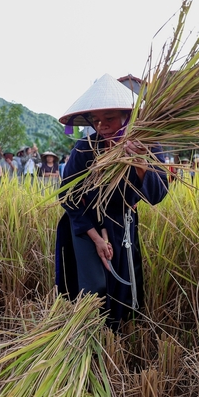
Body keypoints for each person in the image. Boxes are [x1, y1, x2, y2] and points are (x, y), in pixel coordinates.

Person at [55, 73, 169, 330]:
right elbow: (68, 196)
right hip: (85, 225)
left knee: (124, 288)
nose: (102, 125)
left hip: (122, 223)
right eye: (96, 120)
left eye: (109, 118)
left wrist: (140, 162)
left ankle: (117, 341)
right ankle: (86, 338)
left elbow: (157, 194)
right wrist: (96, 238)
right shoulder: (85, 148)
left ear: (126, 116)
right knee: (94, 287)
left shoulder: (146, 145)